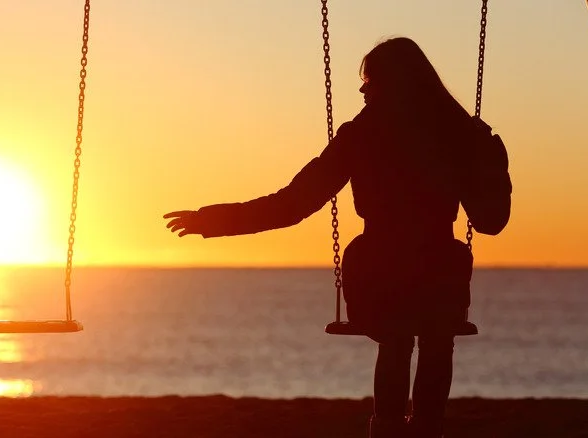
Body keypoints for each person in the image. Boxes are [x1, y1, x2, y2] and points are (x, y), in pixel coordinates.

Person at [164, 37, 498, 438]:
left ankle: (388, 429)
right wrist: (491, 160)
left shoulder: (361, 136)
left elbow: (292, 204)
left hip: (380, 275)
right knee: (436, 338)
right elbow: (492, 220)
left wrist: (213, 221)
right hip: (438, 278)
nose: (362, 90)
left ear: (390, 84)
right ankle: (428, 428)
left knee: (396, 337)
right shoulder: (458, 134)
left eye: (369, 81)